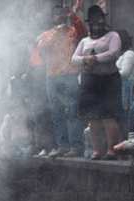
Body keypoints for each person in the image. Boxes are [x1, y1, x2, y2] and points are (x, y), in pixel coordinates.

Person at [36, 0, 88, 158]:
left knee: (72, 111)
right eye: (57, 14)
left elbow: (83, 32)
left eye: (62, 14)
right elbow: (41, 49)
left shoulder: (73, 30)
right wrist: (56, 31)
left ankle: (76, 146)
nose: (59, 16)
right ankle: (62, 146)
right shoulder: (46, 34)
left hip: (70, 74)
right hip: (52, 77)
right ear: (53, 18)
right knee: (56, 113)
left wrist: (72, 14)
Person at [72, 5, 122, 160]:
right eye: (93, 20)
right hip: (89, 82)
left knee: (108, 116)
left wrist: (95, 59)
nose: (96, 23)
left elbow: (114, 53)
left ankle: (112, 150)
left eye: (99, 19)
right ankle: (96, 150)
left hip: (108, 80)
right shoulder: (84, 41)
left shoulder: (113, 35)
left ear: (104, 20)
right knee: (93, 118)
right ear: (89, 22)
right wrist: (86, 59)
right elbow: (74, 59)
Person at [116, 30, 134, 141]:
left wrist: (110, 74)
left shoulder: (129, 54)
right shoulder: (122, 55)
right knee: (122, 119)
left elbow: (125, 72)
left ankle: (131, 144)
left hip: (129, 90)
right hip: (122, 90)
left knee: (128, 119)